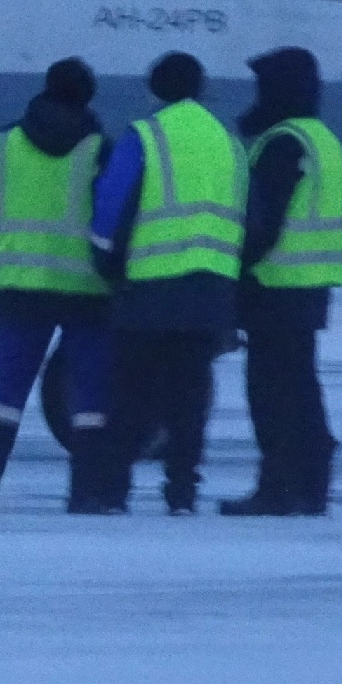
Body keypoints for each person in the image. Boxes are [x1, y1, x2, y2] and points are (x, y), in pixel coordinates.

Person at [83, 51, 243, 513]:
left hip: (149, 289)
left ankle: (113, 492)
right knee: (189, 400)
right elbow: (245, 214)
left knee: (131, 395)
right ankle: (182, 493)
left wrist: (105, 262)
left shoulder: (144, 137)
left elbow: (110, 209)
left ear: (153, 88)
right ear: (201, 88)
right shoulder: (227, 142)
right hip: (210, 289)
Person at [0, 58, 112, 512]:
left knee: (3, 389)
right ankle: (87, 493)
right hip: (85, 290)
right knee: (89, 396)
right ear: (88, 96)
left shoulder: (4, 144)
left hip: (17, 286)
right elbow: (110, 217)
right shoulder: (99, 149)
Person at [221, 47, 342, 515]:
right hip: (311, 284)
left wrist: (236, 270)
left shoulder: (281, 143)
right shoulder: (321, 139)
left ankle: (276, 487)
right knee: (301, 385)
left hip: (273, 283)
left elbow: (263, 221)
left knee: (271, 390)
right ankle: (311, 484)